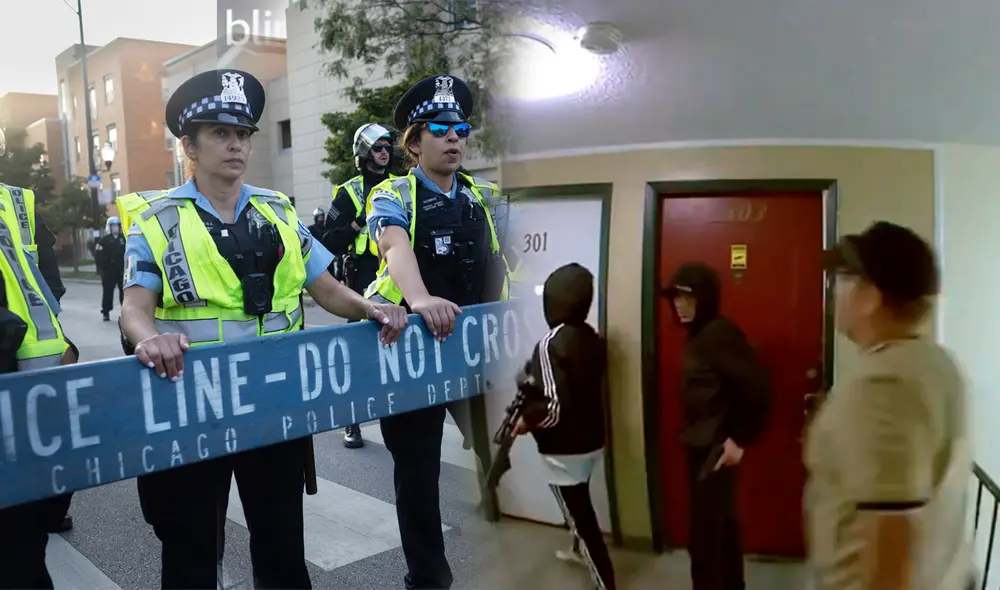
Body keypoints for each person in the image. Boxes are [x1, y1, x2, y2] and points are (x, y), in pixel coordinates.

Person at [117, 68, 408, 590]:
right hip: (192, 406)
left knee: (280, 543)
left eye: (243, 134)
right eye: (220, 134)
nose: (236, 145)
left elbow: (325, 288)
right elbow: (133, 308)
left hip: (273, 405)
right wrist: (148, 338)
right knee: (191, 548)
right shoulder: (155, 220)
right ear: (189, 144)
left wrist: (370, 308)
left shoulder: (278, 212)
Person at [364, 73, 510, 589]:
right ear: (414, 140)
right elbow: (395, 248)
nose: (454, 137)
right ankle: (428, 579)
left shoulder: (485, 197)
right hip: (412, 351)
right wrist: (420, 299)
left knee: (506, 453)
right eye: (440, 127)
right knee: (418, 476)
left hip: (476, 353)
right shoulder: (391, 194)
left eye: (461, 128)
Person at [806, 221, 974, 590]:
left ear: (870, 296)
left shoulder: (883, 385)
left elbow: (892, 531)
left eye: (843, 278)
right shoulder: (935, 363)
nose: (832, 289)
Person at [0, 128, 79, 589]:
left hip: (30, 370)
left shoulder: (20, 204)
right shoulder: (18, 201)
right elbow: (52, 282)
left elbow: (47, 283)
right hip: (37, 376)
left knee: (20, 551)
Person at [662, 262, 772, 590]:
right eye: (675, 299)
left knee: (709, 539)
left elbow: (758, 387)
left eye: (687, 298)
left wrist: (739, 438)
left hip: (716, 450)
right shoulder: (700, 335)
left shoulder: (719, 334)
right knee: (715, 536)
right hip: (701, 446)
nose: (679, 306)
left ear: (705, 299)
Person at [513, 262, 616, 590]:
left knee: (581, 520)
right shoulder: (591, 337)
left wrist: (527, 422)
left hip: (564, 450)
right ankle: (577, 550)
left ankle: (606, 583)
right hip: (593, 440)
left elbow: (555, 406)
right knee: (581, 503)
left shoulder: (550, 343)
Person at [321, 122, 397, 449]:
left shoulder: (402, 185)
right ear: (365, 153)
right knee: (358, 355)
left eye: (387, 146)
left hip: (398, 277)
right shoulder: (349, 191)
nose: (385, 152)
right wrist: (358, 222)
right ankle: (352, 423)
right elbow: (329, 241)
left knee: (401, 348)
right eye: (378, 147)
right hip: (363, 282)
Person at [94, 216, 125, 321]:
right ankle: (106, 312)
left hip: (121, 270)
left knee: (124, 293)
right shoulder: (103, 240)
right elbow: (99, 255)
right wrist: (104, 268)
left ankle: (125, 312)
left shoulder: (123, 239)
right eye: (113, 226)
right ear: (109, 227)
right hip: (108, 272)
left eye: (117, 226)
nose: (115, 228)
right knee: (108, 292)